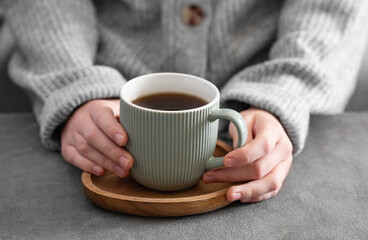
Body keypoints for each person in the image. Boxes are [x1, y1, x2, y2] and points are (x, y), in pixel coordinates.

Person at [3, 0, 367, 203]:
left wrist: (279, 94)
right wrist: (75, 84)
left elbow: (329, 10)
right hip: (97, 107)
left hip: (268, 103)